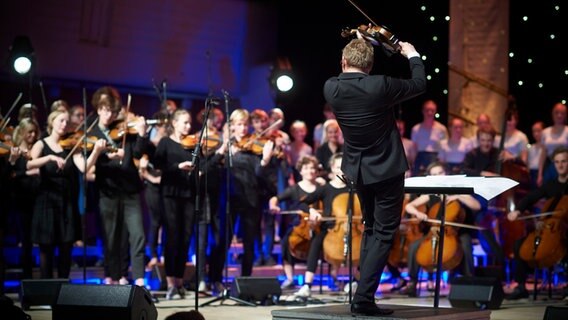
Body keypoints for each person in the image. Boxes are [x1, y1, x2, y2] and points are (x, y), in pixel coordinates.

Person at [323, 37, 426, 315]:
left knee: (370, 229)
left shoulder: (331, 88)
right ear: (370, 66)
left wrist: (360, 44)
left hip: (357, 171)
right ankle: (364, 298)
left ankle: (362, 294)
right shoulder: (380, 85)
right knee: (382, 233)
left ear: (343, 62)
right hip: (387, 170)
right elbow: (419, 84)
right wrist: (412, 54)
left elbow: (351, 75)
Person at [26, 109, 103, 279]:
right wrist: (50, 158)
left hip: (66, 203)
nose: (64, 124)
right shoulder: (41, 144)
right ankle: (46, 290)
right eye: (61, 120)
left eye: (67, 122)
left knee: (66, 249)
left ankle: (62, 290)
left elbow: (84, 168)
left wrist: (96, 151)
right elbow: (29, 165)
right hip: (46, 202)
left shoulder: (71, 146)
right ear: (52, 121)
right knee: (46, 249)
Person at [89, 86, 148, 287]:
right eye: (105, 110)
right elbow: (90, 163)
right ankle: (112, 276)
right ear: (98, 109)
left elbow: (139, 153)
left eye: (113, 112)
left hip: (130, 190)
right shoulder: (91, 132)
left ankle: (139, 279)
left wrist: (141, 134)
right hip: (107, 191)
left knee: (137, 234)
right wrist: (106, 157)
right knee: (111, 236)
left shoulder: (124, 130)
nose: (109, 115)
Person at [400, 161, 481, 297]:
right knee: (414, 247)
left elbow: (477, 205)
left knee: (466, 245)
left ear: (446, 174)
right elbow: (409, 206)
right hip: (434, 232)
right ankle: (413, 282)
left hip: (457, 232)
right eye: (434, 174)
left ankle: (468, 280)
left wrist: (459, 196)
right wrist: (418, 213)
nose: (438, 176)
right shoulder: (431, 194)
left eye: (440, 173)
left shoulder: (458, 189)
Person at [506, 146, 568, 300]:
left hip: (565, 230)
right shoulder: (551, 185)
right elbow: (531, 198)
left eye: (564, 161)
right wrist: (518, 210)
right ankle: (521, 286)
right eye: (557, 162)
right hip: (550, 229)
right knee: (519, 245)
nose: (560, 165)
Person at [153, 109, 197, 300]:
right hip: (170, 193)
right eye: (185, 123)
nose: (188, 126)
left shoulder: (192, 144)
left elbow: (201, 164)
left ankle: (179, 280)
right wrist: (177, 167)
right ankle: (170, 281)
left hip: (187, 194)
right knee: (172, 237)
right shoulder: (165, 142)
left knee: (185, 237)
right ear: (175, 123)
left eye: (189, 123)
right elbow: (157, 164)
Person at [268, 155, 324, 289]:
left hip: (318, 226)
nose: (310, 171)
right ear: (301, 171)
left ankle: (329, 277)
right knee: (286, 241)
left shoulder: (322, 188)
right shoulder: (295, 189)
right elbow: (275, 198)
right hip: (298, 226)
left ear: (316, 171)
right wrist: (273, 206)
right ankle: (289, 278)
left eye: (312, 168)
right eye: (306, 168)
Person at [7, 118, 41, 279]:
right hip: (22, 200)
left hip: (38, 199)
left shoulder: (37, 150)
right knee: (26, 240)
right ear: (21, 133)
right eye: (29, 132)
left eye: (35, 132)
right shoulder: (14, 152)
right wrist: (27, 172)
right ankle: (26, 277)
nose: (33, 135)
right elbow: (11, 175)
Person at [410, 99, 448, 176]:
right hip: (419, 158)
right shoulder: (416, 129)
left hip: (435, 159)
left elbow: (445, 147)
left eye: (432, 110)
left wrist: (442, 163)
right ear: (423, 111)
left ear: (435, 111)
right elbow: (413, 148)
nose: (430, 112)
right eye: (427, 110)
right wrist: (412, 163)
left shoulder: (441, 128)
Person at [538, 103, 568, 186]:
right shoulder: (545, 132)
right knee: (548, 194)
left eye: (562, 113)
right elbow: (543, 154)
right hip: (551, 166)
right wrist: (540, 174)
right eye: (557, 112)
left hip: (565, 167)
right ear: (552, 114)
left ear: (565, 115)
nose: (559, 115)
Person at [527, 121, 545, 189]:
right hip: (531, 174)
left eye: (538, 131)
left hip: (541, 172)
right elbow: (528, 163)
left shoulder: (546, 147)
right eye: (534, 131)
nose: (536, 133)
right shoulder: (531, 147)